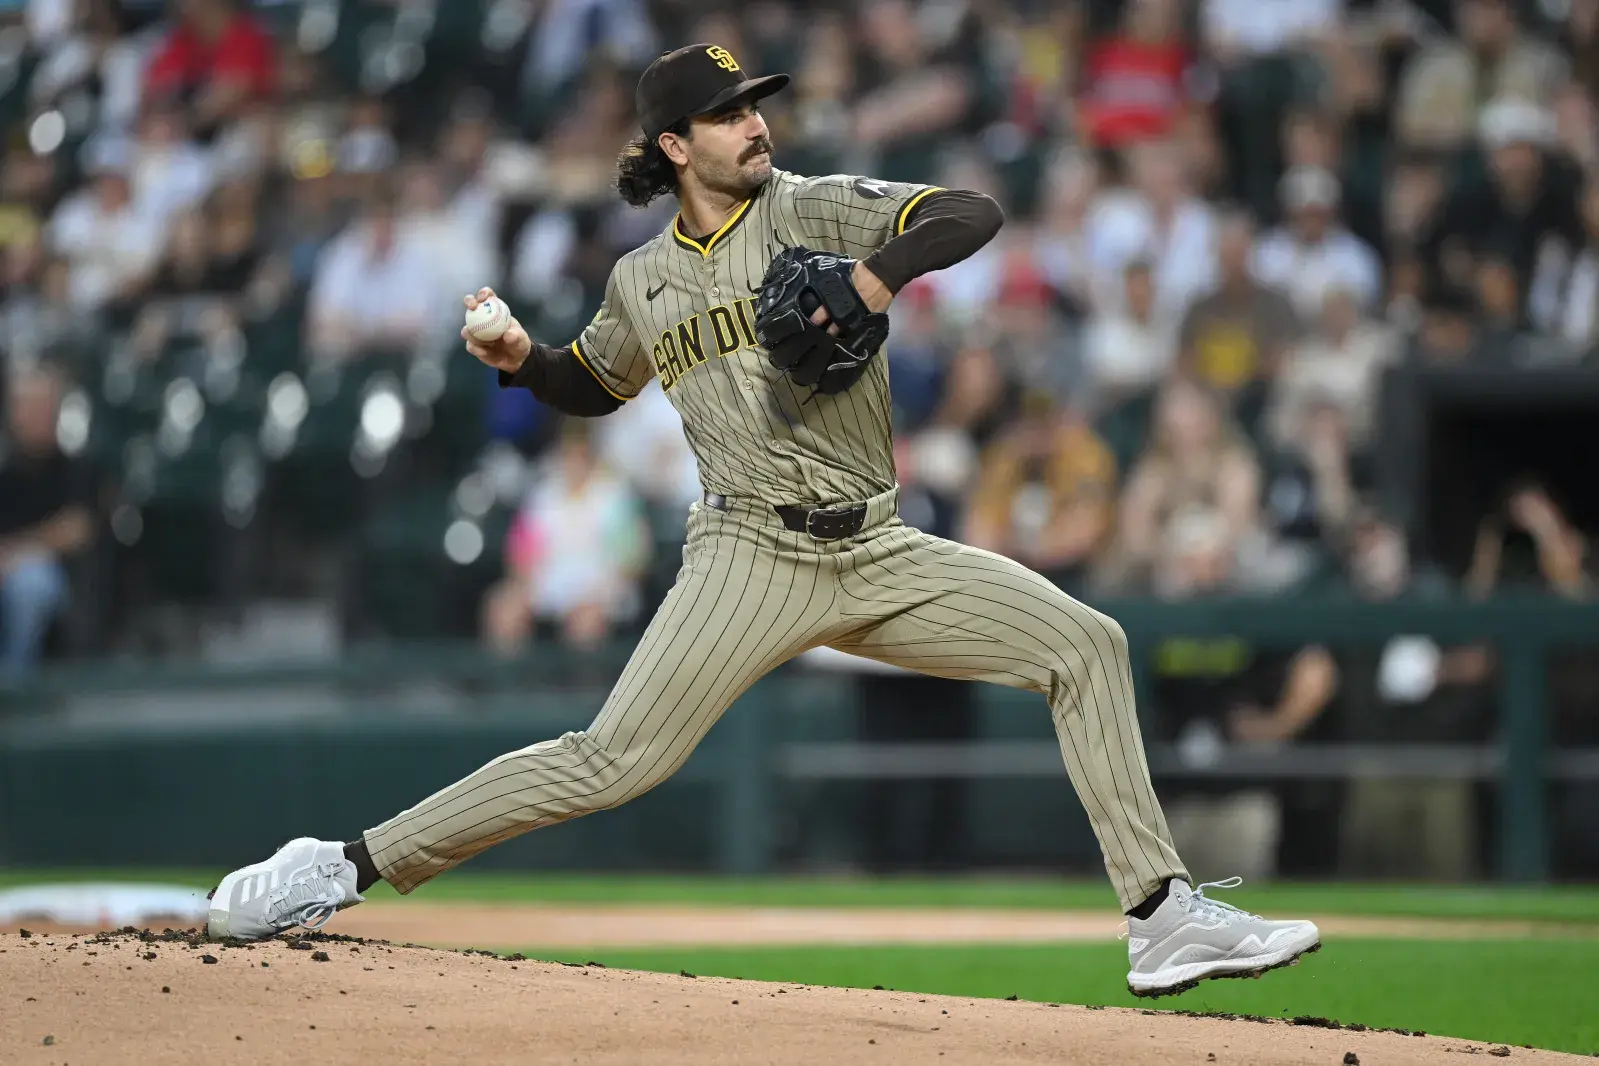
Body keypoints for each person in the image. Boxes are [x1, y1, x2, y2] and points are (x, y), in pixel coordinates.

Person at [206, 43, 1319, 998]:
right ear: (674, 145)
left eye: (756, 104)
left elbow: (968, 213)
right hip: (748, 549)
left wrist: (871, 282)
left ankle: (1161, 913)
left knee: (1089, 643)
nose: (755, 124)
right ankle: (342, 864)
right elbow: (594, 382)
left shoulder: (809, 205)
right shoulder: (641, 278)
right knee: (607, 761)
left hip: (880, 544)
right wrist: (521, 362)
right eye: (728, 114)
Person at [0, 367, 94, 680]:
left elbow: (76, 531)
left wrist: (15, 553)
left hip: (53, 575)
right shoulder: (6, 468)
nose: (42, 416)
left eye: (47, 407)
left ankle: (15, 684)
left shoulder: (74, 469)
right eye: (31, 407)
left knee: (32, 583)